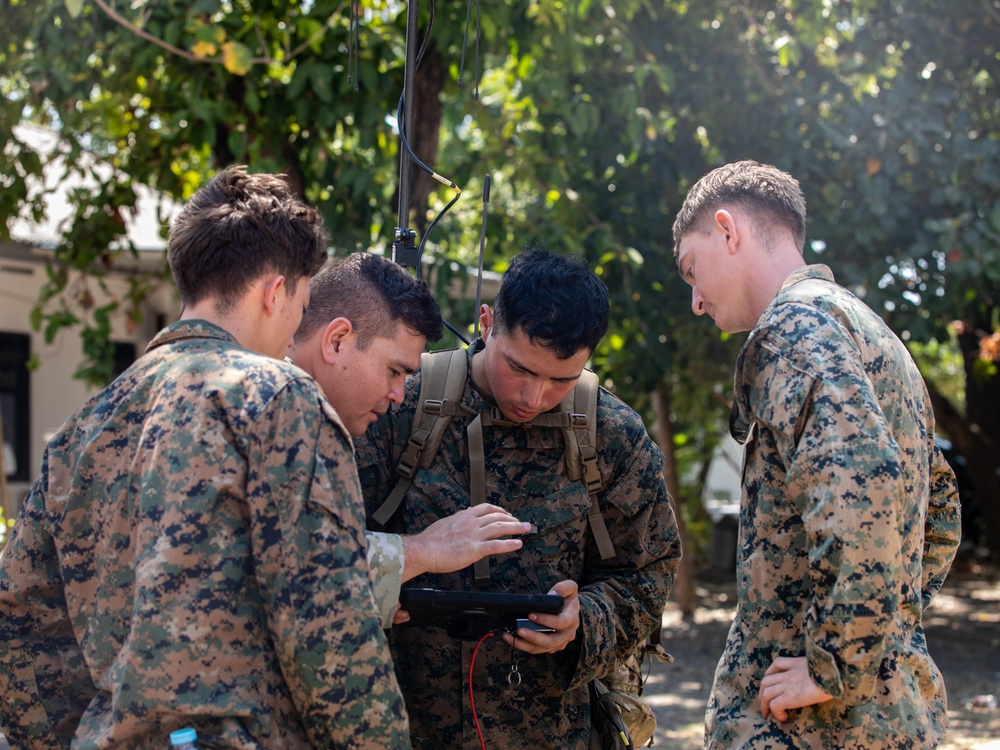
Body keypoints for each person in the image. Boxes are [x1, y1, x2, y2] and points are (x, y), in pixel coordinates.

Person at [0, 167, 410, 749]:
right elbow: (329, 631)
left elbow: (20, 625)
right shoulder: (280, 398)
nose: (297, 324)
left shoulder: (84, 427)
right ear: (276, 292)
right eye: (301, 303)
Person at [673, 160, 962, 748]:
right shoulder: (868, 330)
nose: (697, 301)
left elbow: (864, 486)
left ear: (728, 231)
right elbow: (941, 516)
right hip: (887, 710)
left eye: (691, 270)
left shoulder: (793, 330)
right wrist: (886, 632)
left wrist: (839, 660)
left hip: (813, 726)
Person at [357, 246, 682, 749]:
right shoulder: (398, 405)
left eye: (561, 380)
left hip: (551, 732)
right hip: (402, 727)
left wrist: (584, 621)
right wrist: (403, 565)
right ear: (487, 323)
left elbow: (648, 572)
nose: (534, 397)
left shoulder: (609, 434)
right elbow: (326, 551)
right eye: (521, 369)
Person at [287, 251, 532, 626]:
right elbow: (294, 568)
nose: (399, 394)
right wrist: (424, 549)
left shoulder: (306, 417)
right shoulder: (272, 413)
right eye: (394, 371)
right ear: (337, 340)